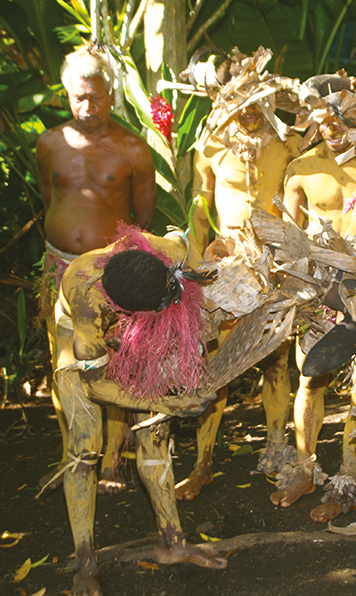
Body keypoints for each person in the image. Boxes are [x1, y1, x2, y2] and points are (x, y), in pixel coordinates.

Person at [51, 228, 225, 595]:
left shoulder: (170, 254)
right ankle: (85, 561)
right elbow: (95, 384)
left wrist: (181, 380)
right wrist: (166, 401)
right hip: (82, 338)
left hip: (146, 327)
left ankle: (172, 541)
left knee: (156, 430)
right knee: (85, 445)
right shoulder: (84, 295)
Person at [177, 64, 301, 501]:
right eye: (240, 103)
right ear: (225, 100)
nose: (249, 112)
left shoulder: (288, 143)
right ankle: (202, 463)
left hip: (273, 262)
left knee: (276, 361)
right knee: (214, 363)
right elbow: (198, 206)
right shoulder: (211, 145)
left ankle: (276, 449)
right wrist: (194, 260)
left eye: (257, 103)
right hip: (224, 265)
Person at [36, 46, 157, 493]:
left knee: (116, 358)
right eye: (78, 97)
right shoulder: (50, 143)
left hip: (110, 273)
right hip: (59, 268)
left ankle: (112, 457)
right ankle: (73, 452)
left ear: (111, 93)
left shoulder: (133, 150)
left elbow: (143, 219)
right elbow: (49, 199)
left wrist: (117, 267)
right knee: (63, 359)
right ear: (66, 93)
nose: (88, 107)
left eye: (96, 97)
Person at [274, 75, 356, 515]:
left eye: (338, 116)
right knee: (308, 376)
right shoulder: (301, 169)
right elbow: (286, 231)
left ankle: (353, 474)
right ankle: (305, 467)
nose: (331, 127)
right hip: (317, 286)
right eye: (322, 120)